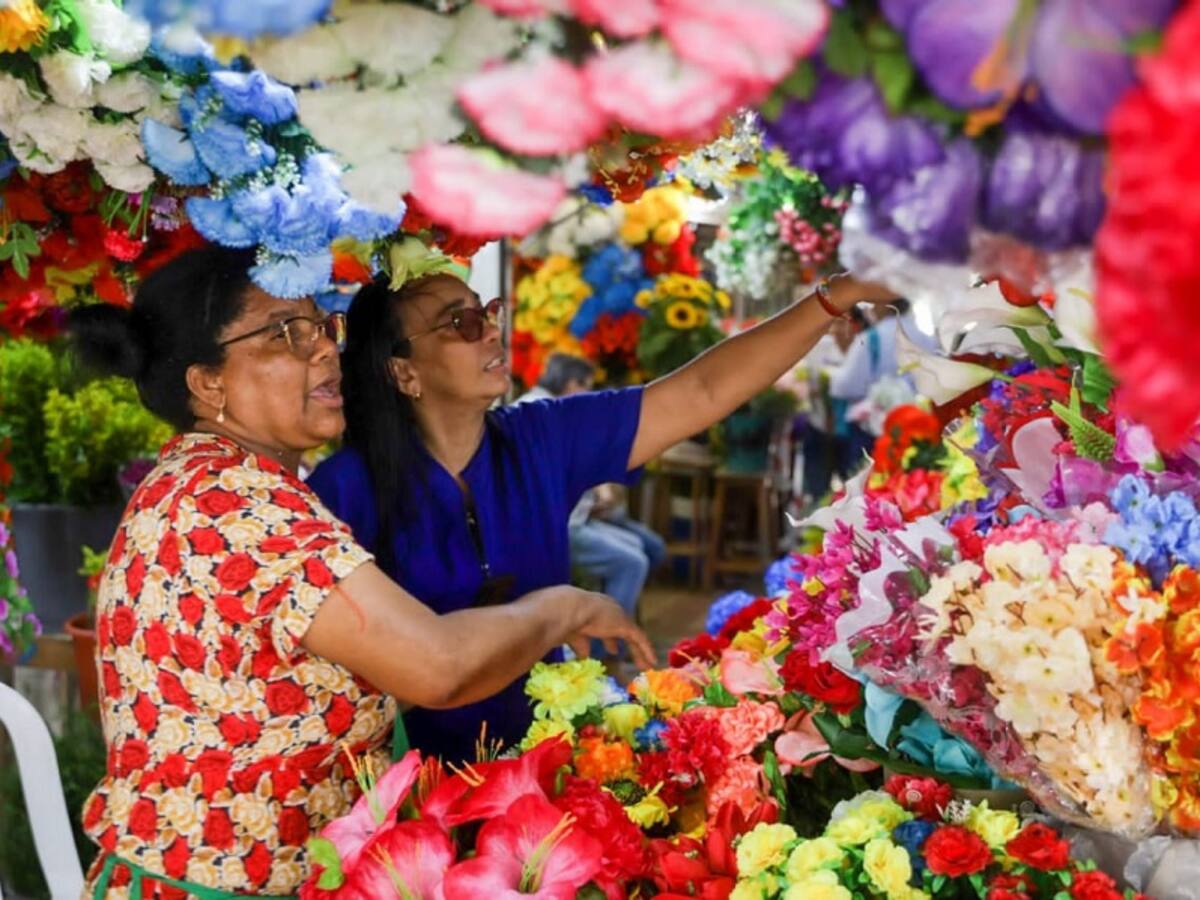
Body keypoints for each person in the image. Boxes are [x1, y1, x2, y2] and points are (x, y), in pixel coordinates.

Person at [69, 246, 652, 899]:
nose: (325, 349)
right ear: (209, 384)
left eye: (322, 326)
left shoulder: (211, 481)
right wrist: (564, 608)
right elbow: (439, 667)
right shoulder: (238, 505)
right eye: (286, 334)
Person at [309, 268, 897, 763]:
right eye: (459, 323)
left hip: (546, 759)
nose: (489, 331)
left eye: (487, 312)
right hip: (406, 783)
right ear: (404, 371)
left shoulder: (540, 438)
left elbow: (702, 391)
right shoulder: (343, 491)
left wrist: (836, 296)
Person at [517, 353, 667, 631]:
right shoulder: (541, 411)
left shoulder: (543, 407)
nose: (590, 394)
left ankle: (607, 633)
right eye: (587, 386)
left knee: (639, 546)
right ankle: (604, 648)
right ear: (571, 384)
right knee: (633, 562)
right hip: (557, 526)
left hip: (573, 518)